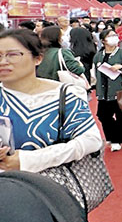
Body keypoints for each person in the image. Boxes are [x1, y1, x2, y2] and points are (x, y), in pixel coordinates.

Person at [0, 29, 102, 183]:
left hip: (55, 192)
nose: (3, 62)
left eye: (13, 54)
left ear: (38, 58)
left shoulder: (65, 95)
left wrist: (30, 160)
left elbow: (91, 140)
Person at [92, 29, 122, 151]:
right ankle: (112, 136)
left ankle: (117, 140)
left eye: (114, 35)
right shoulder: (98, 56)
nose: (114, 38)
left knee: (121, 116)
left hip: (120, 90)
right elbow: (94, 73)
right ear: (103, 40)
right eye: (110, 36)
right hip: (103, 91)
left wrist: (121, 67)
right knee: (102, 115)